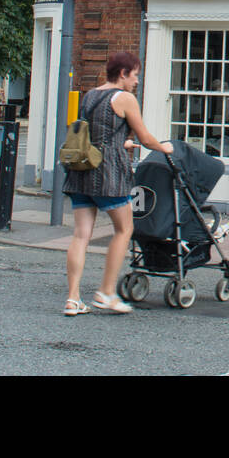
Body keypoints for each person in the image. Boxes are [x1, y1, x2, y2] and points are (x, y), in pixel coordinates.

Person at [63, 51, 173, 316]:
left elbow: (96, 133)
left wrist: (121, 142)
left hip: (81, 170)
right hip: (108, 174)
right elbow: (145, 138)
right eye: (135, 76)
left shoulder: (90, 95)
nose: (136, 81)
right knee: (124, 229)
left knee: (80, 235)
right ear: (123, 73)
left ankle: (72, 298)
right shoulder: (125, 98)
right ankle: (106, 292)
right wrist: (164, 148)